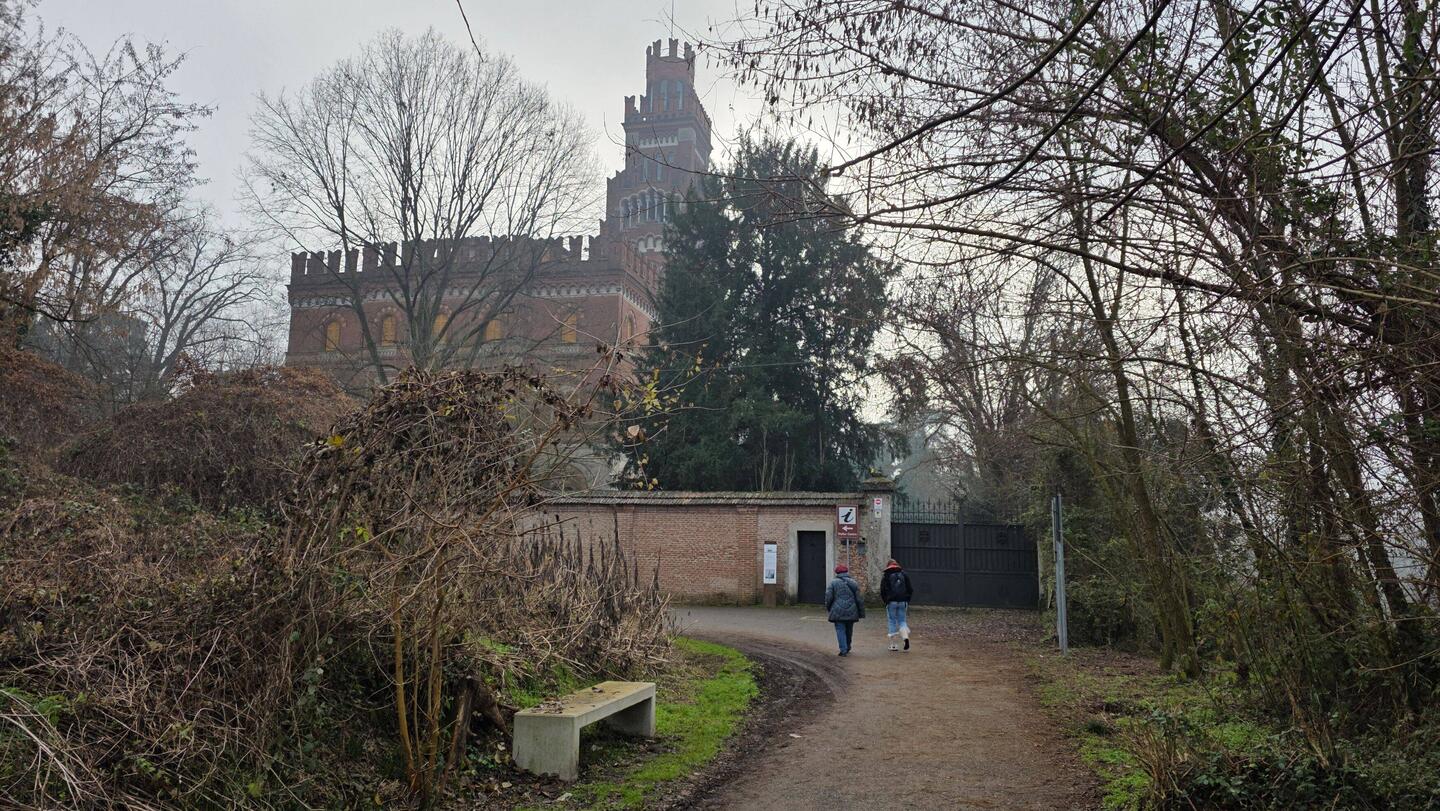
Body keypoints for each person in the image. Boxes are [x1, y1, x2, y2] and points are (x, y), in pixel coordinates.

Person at [825, 563, 864, 656]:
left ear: (837, 573)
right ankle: (848, 646)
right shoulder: (853, 582)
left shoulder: (833, 583)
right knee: (849, 629)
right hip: (852, 610)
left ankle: (843, 650)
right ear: (846, 572)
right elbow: (859, 598)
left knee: (840, 629)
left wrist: (828, 607)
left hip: (837, 610)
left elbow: (828, 597)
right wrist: (861, 612)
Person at [881, 558, 913, 651]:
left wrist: (885, 601)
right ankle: (905, 638)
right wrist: (907, 600)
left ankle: (893, 645)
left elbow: (883, 591)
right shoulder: (904, 574)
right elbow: (910, 589)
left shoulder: (886, 575)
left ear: (888, 566)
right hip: (903, 601)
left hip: (891, 602)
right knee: (902, 621)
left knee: (892, 621)